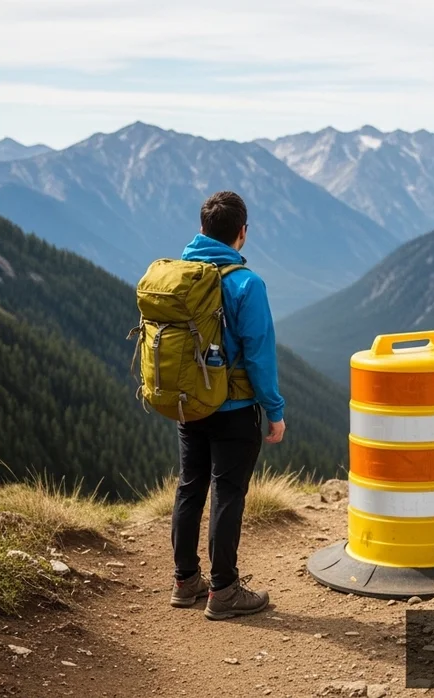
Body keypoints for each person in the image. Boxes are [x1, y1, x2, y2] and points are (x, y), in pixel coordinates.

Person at [169, 190, 286, 620]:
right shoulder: (245, 284)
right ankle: (224, 592)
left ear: (200, 230)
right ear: (243, 234)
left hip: (189, 404)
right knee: (228, 493)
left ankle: (185, 582)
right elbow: (258, 353)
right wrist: (274, 410)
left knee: (189, 487)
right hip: (234, 408)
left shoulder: (179, 275)